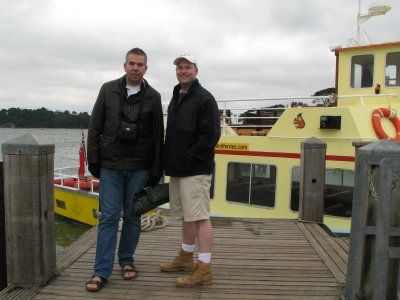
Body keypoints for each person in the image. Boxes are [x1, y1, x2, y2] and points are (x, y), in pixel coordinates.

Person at [85, 47, 164, 292]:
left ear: (146, 68)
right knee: (108, 217)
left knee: (132, 216)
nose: (135, 68)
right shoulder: (107, 90)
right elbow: (95, 126)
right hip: (110, 165)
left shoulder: (154, 96)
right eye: (131, 63)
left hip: (139, 167)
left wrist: (155, 170)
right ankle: (101, 271)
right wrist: (93, 160)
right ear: (124, 65)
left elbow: (157, 136)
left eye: (140, 64)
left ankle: (127, 260)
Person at [160, 54, 221, 287]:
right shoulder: (177, 96)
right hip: (178, 169)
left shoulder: (205, 98)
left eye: (187, 67)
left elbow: (210, 135)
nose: (183, 71)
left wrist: (188, 158)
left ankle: (204, 268)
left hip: (195, 169)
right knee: (186, 216)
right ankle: (185, 258)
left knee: (200, 217)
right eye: (179, 67)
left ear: (196, 70)